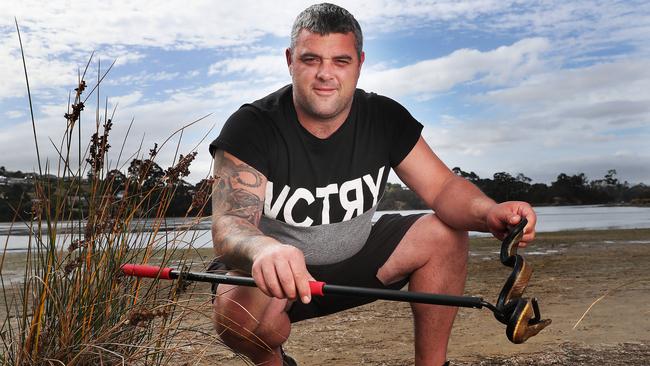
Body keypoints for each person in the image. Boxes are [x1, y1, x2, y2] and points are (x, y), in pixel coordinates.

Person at [208, 3, 537, 366]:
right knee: (235, 315)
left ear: (360, 64)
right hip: (279, 281)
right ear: (290, 60)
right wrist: (264, 250)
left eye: (340, 61)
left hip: (359, 267)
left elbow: (443, 189)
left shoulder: (383, 117)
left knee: (445, 232)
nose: (325, 74)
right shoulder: (252, 126)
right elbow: (229, 225)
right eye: (311, 59)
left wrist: (488, 212)